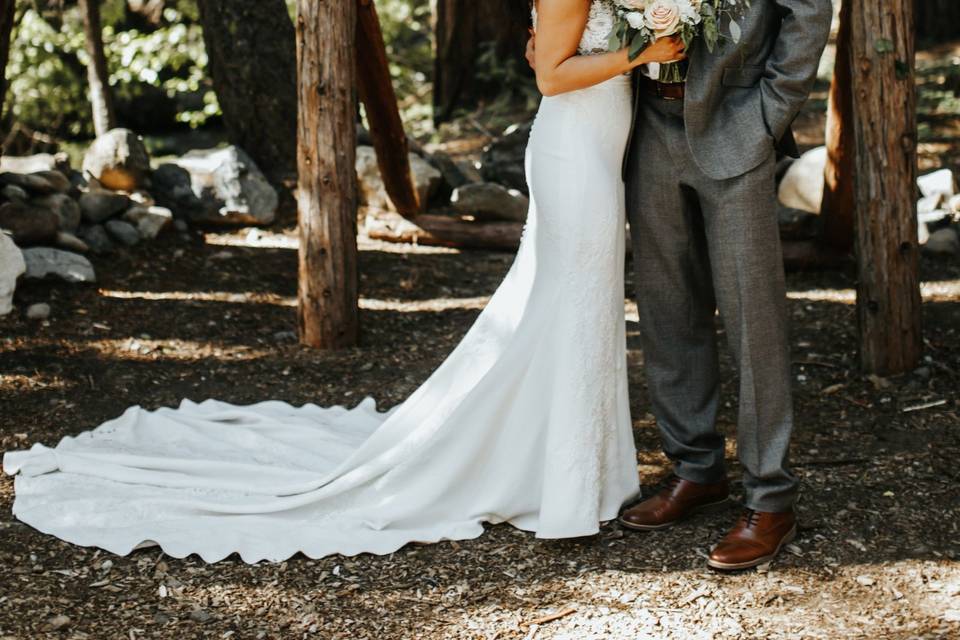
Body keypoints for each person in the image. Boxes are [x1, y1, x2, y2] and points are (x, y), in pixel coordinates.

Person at [2, 1, 684, 564]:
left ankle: (580, 469)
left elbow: (549, 49)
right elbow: (552, 76)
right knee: (568, 307)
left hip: (597, 144)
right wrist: (646, 53)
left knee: (578, 309)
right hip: (573, 153)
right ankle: (562, 481)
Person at [609, 0, 832, 570]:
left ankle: (770, 499)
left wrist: (770, 113)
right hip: (645, 126)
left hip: (737, 124)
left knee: (752, 318)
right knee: (667, 310)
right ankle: (695, 470)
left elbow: (807, 12)